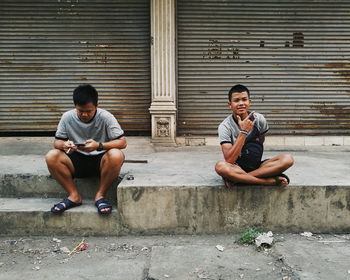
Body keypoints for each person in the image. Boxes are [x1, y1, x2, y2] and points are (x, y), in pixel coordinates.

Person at [45, 84, 127, 215]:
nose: (84, 114)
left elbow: (122, 142)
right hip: (75, 161)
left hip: (101, 162)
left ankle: (100, 196)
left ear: (96, 105)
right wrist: (65, 145)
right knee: (51, 156)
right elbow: (57, 142)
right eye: (80, 111)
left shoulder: (106, 117)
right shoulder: (67, 117)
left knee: (116, 155)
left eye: (89, 111)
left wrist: (99, 146)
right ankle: (74, 196)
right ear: (75, 106)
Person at [215, 84, 294, 188]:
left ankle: (239, 179)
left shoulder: (259, 119)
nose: (241, 103)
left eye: (244, 99)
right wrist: (243, 132)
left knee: (288, 159)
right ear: (230, 104)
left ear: (249, 102)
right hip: (237, 167)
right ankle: (268, 181)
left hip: (258, 167)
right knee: (220, 167)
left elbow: (260, 140)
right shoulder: (225, 126)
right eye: (236, 100)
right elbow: (229, 160)